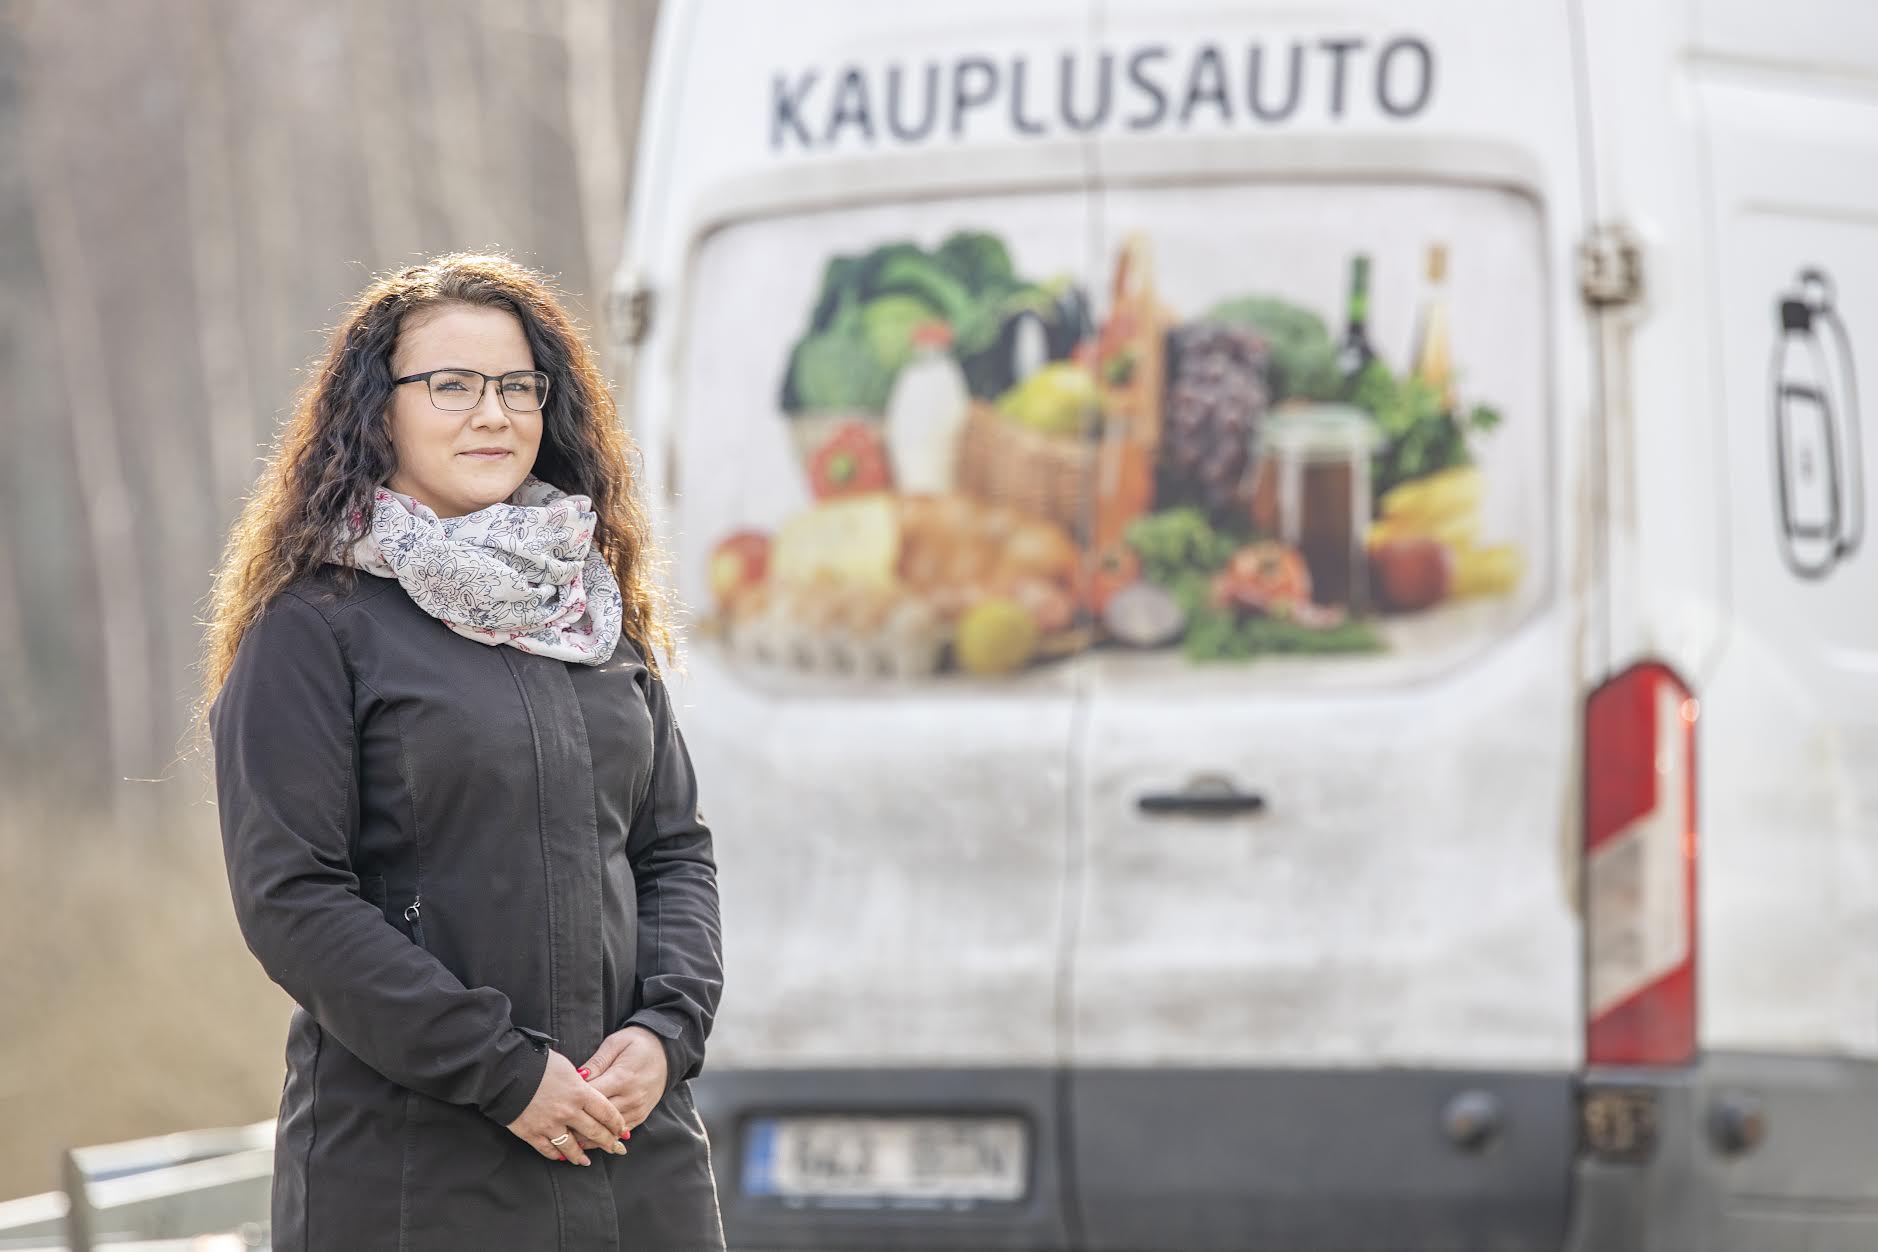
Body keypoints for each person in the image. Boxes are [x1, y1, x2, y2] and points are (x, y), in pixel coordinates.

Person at [197, 252, 726, 1251]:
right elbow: (293, 898)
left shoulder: (592, 619)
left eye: (519, 386)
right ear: (377, 410)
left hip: (635, 1163)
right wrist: (507, 1073)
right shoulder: (312, 629)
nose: (494, 413)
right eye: (452, 385)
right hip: (416, 1178)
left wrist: (667, 1033)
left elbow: (673, 853)